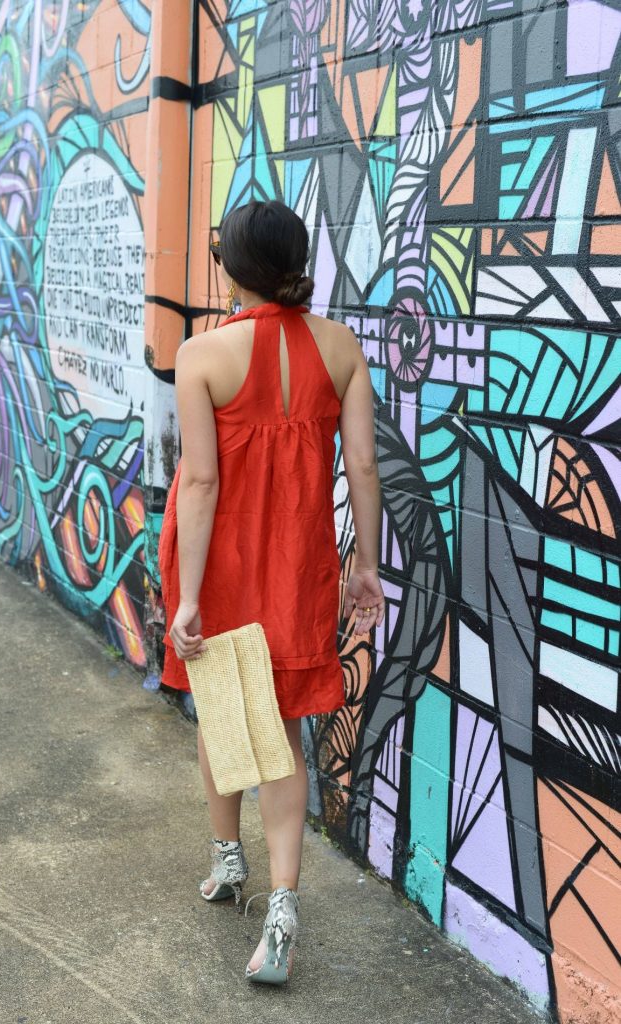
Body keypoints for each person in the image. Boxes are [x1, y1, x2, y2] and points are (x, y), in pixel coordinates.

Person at [157, 199, 384, 985]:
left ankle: (228, 861)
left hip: (218, 562)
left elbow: (200, 481)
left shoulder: (201, 354)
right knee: (282, 727)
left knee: (220, 704)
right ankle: (281, 904)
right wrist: (365, 565)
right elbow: (362, 466)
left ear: (230, 266)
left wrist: (189, 596)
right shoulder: (341, 346)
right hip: (298, 563)